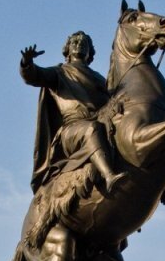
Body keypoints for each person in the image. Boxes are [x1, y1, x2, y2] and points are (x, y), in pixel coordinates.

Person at [20, 31, 125, 194]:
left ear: (90, 52)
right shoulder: (59, 72)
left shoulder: (100, 78)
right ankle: (109, 176)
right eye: (75, 42)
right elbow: (34, 76)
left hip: (100, 121)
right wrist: (27, 62)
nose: (79, 44)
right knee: (92, 128)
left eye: (84, 43)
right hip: (72, 131)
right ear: (67, 50)